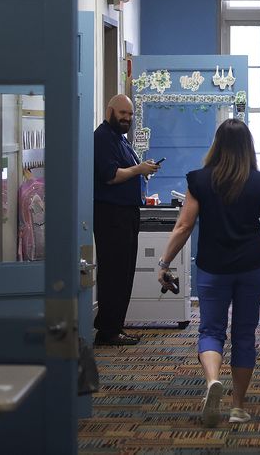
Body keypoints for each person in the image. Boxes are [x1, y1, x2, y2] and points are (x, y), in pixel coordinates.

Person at [156, 119, 260, 427]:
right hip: (251, 266)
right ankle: (237, 406)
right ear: (247, 146)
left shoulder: (199, 179)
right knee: (244, 335)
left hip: (213, 266)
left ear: (217, 144)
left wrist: (164, 263)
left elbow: (183, 226)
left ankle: (212, 382)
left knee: (211, 330)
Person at [93, 94, 159, 346]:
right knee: (115, 273)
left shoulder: (120, 140)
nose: (127, 118)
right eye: (123, 113)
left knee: (124, 272)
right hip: (111, 215)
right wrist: (139, 169)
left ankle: (114, 325)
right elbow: (110, 176)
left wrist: (142, 169)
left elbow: (126, 171)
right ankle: (109, 330)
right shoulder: (102, 139)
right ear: (110, 111)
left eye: (130, 115)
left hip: (126, 213)